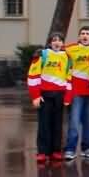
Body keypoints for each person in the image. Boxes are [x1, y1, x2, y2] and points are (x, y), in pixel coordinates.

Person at [28, 31, 72, 166]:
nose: (57, 43)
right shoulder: (42, 55)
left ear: (63, 43)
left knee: (57, 124)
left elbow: (69, 78)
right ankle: (42, 152)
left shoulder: (67, 57)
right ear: (50, 43)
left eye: (59, 40)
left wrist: (68, 96)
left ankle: (56, 151)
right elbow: (33, 76)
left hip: (60, 95)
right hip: (45, 95)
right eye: (54, 40)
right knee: (44, 124)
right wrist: (35, 96)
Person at [63, 25, 89, 160]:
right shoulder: (71, 49)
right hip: (76, 92)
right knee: (74, 121)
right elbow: (55, 49)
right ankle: (70, 149)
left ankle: (87, 148)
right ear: (79, 36)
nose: (85, 36)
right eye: (83, 33)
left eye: (88, 33)